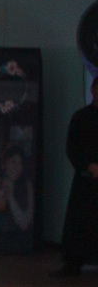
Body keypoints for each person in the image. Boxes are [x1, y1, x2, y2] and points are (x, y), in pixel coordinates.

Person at [56, 79, 98, 275]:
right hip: (85, 179)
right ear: (92, 90)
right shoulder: (81, 117)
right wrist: (88, 165)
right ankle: (73, 263)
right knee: (80, 222)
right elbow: (72, 147)